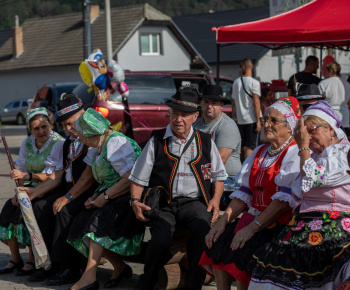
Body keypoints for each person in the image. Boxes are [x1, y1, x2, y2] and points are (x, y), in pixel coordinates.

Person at [129, 85, 227, 290]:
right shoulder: (157, 140)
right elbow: (138, 177)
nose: (178, 119)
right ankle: (146, 282)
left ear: (195, 117)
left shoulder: (206, 141)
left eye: (184, 115)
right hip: (165, 202)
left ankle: (193, 286)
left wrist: (216, 200)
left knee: (202, 231)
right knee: (160, 241)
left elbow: (219, 176)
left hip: (194, 202)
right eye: (175, 114)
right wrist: (135, 201)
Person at [200, 97, 301, 290]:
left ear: (290, 127)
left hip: (279, 222)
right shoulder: (260, 151)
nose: (267, 124)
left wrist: (252, 228)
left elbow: (283, 203)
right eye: (265, 120)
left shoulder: (293, 153)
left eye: (274, 120)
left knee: (243, 251)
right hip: (254, 217)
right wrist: (222, 222)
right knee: (218, 241)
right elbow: (243, 194)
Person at [249, 101, 350, 290]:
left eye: (312, 131)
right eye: (304, 134)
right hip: (306, 223)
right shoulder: (315, 157)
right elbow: (296, 190)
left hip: (336, 221)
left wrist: (303, 148)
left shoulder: (342, 154)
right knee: (272, 260)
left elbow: (316, 178)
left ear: (329, 129)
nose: (308, 138)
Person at [19, 94, 97, 284]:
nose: (68, 129)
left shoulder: (93, 140)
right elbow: (58, 175)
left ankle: (69, 267)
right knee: (38, 206)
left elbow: (88, 179)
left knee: (62, 210)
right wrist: (35, 192)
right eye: (65, 126)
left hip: (88, 191)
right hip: (70, 187)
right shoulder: (68, 143)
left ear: (83, 116)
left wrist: (67, 197)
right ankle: (48, 263)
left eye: (71, 123)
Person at [67, 108, 143, 290]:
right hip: (110, 195)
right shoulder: (98, 146)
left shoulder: (116, 143)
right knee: (81, 221)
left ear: (90, 134)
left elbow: (130, 178)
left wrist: (105, 197)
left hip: (129, 196)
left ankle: (89, 277)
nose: (81, 140)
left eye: (82, 136)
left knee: (97, 223)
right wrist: (94, 196)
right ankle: (120, 267)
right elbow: (97, 177)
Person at [0, 107, 64, 276]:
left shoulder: (59, 143)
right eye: (36, 128)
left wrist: (27, 176)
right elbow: (20, 168)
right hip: (28, 187)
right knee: (8, 209)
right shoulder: (27, 142)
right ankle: (15, 259)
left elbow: (53, 176)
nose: (41, 131)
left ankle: (32, 258)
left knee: (27, 212)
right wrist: (17, 191)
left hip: (50, 188)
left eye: (44, 126)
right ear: (30, 129)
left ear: (51, 125)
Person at [194, 84, 241, 202]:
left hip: (228, 182)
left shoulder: (227, 126)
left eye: (214, 103)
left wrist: (190, 172)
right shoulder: (195, 124)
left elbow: (219, 161)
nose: (209, 106)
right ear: (201, 103)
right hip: (205, 176)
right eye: (206, 101)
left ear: (221, 105)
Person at [231, 58, 261, 160]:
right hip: (251, 119)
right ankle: (247, 170)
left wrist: (234, 115)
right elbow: (256, 102)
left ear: (243, 66)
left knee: (241, 146)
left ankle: (239, 168)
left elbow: (233, 101)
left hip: (240, 120)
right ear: (252, 67)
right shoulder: (254, 83)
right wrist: (258, 121)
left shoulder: (236, 83)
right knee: (250, 146)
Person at [318, 61, 350, 134]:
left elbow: (318, 101)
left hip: (328, 117)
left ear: (331, 71)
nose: (325, 73)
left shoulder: (323, 83)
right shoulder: (347, 84)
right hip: (344, 117)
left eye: (326, 71)